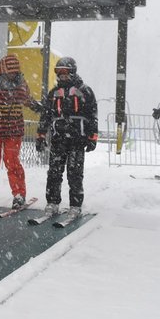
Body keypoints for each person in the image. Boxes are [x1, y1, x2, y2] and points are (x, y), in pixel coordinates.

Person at [35, 57, 99, 219]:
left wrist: (93, 137)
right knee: (54, 172)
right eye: (59, 72)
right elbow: (46, 116)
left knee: (75, 173)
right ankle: (53, 202)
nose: (62, 76)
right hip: (58, 139)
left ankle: (75, 205)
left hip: (77, 140)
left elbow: (92, 115)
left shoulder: (84, 91)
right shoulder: (54, 93)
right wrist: (41, 135)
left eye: (65, 72)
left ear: (72, 72)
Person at [0, 53, 39, 210]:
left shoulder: (20, 83)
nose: (12, 75)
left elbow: (26, 98)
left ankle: (19, 194)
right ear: (2, 69)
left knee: (12, 161)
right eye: (9, 71)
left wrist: (34, 105)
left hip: (13, 130)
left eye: (14, 72)